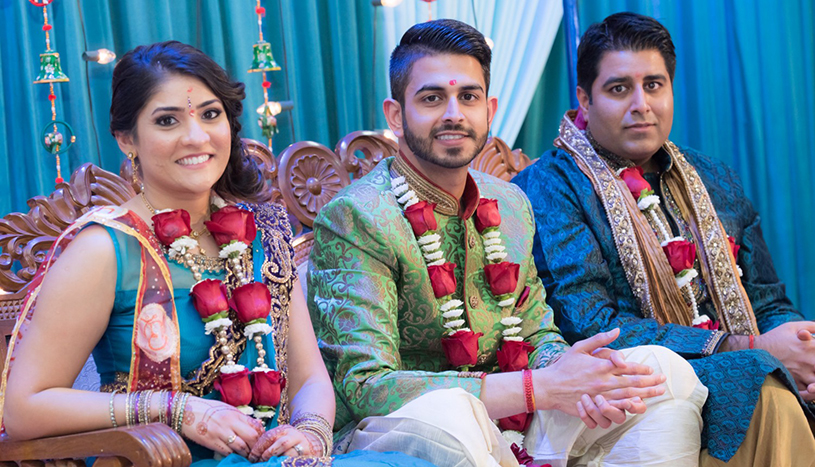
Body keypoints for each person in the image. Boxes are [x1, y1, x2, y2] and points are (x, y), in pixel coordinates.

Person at [0, 41, 431, 467]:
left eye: (210, 114)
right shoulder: (106, 248)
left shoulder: (263, 232)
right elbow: (24, 409)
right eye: (167, 121)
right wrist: (175, 409)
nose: (196, 137)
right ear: (126, 139)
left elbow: (308, 378)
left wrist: (310, 434)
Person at [308, 19, 708, 467]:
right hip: (408, 432)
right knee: (454, 417)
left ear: (490, 109)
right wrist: (538, 388)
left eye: (468, 97)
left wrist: (575, 377)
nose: (454, 113)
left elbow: (536, 329)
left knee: (659, 369)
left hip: (517, 421)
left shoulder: (509, 202)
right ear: (396, 115)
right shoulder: (357, 217)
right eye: (432, 98)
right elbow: (366, 387)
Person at [512, 12, 815, 466]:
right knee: (765, 388)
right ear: (584, 99)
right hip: (643, 386)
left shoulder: (713, 178)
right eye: (619, 89)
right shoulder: (550, 188)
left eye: (654, 85)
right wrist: (747, 349)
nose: (641, 104)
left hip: (751, 361)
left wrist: (801, 348)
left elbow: (767, 300)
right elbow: (592, 324)